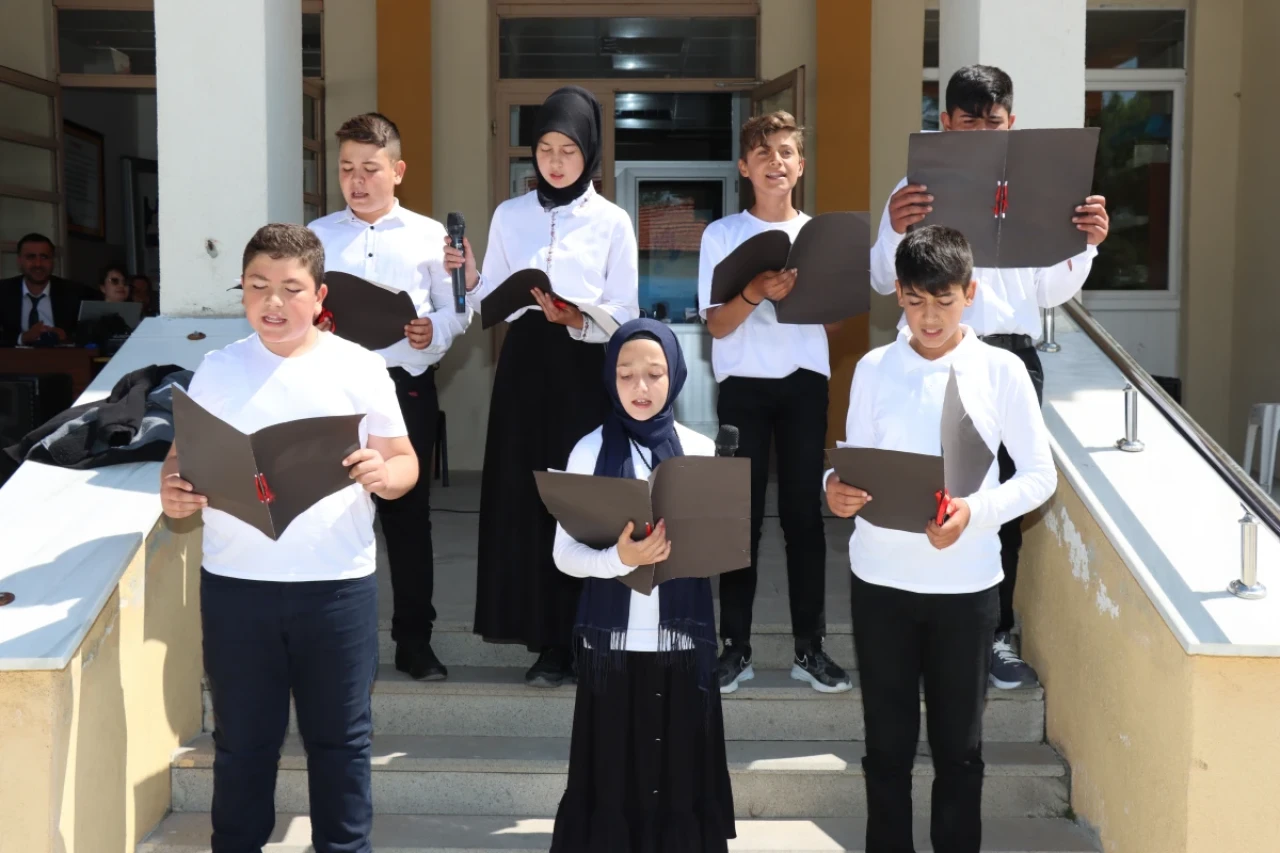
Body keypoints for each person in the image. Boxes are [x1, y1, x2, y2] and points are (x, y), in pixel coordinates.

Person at [160, 223, 417, 853]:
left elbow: (404, 461)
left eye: (290, 288)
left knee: (342, 743)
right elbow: (178, 461)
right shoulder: (218, 369)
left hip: (336, 590)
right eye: (257, 286)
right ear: (242, 290)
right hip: (238, 590)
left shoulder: (358, 367)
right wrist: (173, 492)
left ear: (318, 294)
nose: (272, 303)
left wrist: (384, 474)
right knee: (243, 745)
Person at [869, 64, 1109, 689]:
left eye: (993, 123)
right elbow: (879, 279)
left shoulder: (1035, 187)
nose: (980, 132)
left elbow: (1051, 288)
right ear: (945, 122)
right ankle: (918, 626)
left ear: (1012, 125)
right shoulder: (914, 186)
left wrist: (1085, 245)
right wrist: (894, 227)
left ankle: (991, 635)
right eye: (967, 121)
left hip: (1009, 358)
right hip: (932, 357)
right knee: (927, 487)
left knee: (1000, 499)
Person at [827, 225, 1056, 853]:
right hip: (880, 583)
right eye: (917, 299)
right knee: (886, 753)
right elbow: (850, 460)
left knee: (960, 753)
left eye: (945, 300)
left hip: (966, 588)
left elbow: (1041, 476)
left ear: (971, 294)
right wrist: (833, 488)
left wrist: (975, 513)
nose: (931, 316)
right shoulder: (873, 368)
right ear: (898, 294)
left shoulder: (1001, 369)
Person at [449, 85, 638, 688]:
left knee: (583, 501)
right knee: (528, 501)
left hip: (586, 369)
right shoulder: (511, 214)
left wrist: (579, 318)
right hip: (527, 367)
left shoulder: (612, 220)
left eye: (568, 150)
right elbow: (492, 305)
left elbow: (625, 308)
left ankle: (590, 632)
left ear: (590, 154)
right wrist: (472, 275)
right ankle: (548, 642)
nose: (555, 162)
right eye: (545, 149)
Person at [549, 318, 735, 852]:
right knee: (613, 773)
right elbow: (564, 555)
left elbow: (720, 553)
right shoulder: (589, 452)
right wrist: (619, 558)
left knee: (679, 772)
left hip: (680, 645)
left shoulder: (699, 451)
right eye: (627, 374)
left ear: (674, 376)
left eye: (654, 374)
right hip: (614, 645)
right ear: (610, 379)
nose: (641, 387)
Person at [309, 112, 471, 682]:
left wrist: (433, 333)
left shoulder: (433, 237)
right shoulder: (317, 238)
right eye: (347, 168)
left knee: (408, 518)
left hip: (404, 387)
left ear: (397, 171)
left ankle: (414, 640)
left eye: (370, 169)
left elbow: (457, 309)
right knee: (328, 514)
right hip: (332, 394)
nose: (357, 181)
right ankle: (334, 642)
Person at [696, 111, 851, 694]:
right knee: (739, 521)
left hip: (805, 383)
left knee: (803, 518)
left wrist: (804, 294)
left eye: (787, 152)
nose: (776, 162)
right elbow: (716, 326)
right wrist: (754, 290)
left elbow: (832, 325)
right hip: (743, 388)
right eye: (763, 153)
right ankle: (734, 648)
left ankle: (809, 648)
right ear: (744, 166)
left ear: (801, 164)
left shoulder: (819, 234)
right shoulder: (721, 234)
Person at [0, 233, 92, 345]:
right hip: (12, 361)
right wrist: (22, 338)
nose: (38, 264)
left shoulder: (76, 292)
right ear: (19, 260)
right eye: (31, 257)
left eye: (44, 257)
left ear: (53, 260)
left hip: (62, 360)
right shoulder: (3, 291)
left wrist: (67, 338)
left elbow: (91, 336)